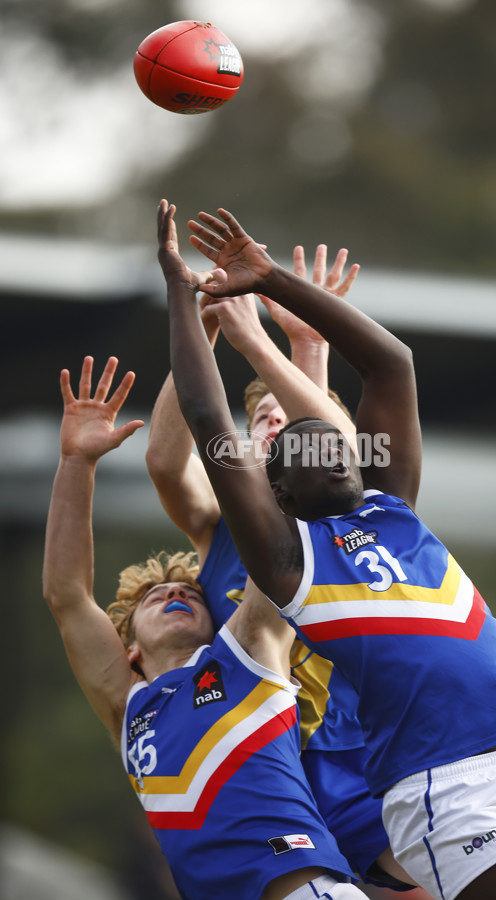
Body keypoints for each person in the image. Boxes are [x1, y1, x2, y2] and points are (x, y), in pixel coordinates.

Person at [159, 199, 496, 900]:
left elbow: (392, 363)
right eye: (306, 445)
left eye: (336, 436)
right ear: (280, 492)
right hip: (444, 790)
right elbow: (209, 414)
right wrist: (183, 298)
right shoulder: (288, 562)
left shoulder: (391, 504)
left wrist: (269, 277)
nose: (330, 442)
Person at [146, 243, 428, 895]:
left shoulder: (348, 515)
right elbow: (165, 459)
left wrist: (301, 344)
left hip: (363, 758)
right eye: (261, 419)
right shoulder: (220, 526)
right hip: (266, 769)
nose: (278, 424)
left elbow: (330, 442)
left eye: (287, 416)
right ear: (244, 445)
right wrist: (209, 322)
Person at [42, 354, 371, 900]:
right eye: (156, 597)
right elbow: (67, 596)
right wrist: (76, 462)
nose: (175, 592)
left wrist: (300, 405)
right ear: (127, 653)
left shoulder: (245, 656)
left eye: (191, 592)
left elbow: (291, 542)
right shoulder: (129, 709)